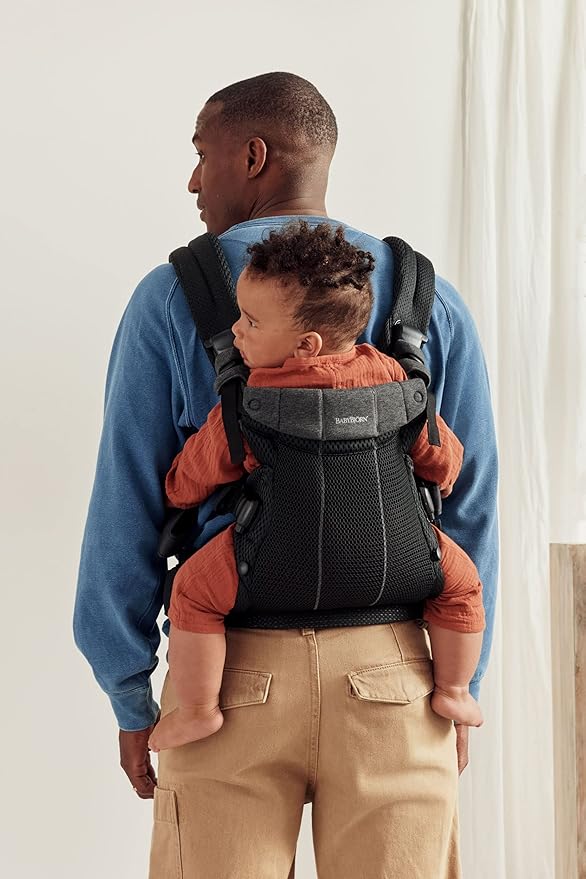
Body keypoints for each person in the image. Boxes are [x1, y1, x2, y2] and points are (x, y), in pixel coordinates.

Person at [74, 72, 498, 878]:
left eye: (203, 155)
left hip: (225, 671)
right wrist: (460, 680)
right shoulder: (427, 298)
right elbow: (469, 503)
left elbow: (126, 504)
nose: (193, 180)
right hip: (396, 673)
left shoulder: (171, 296)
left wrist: (129, 692)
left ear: (253, 156)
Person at [147, 221, 485, 754]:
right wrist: (439, 476)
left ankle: (197, 709)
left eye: (250, 321)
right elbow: (445, 461)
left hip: (265, 567)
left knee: (191, 592)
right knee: (462, 587)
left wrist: (176, 491)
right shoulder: (398, 384)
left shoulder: (252, 403)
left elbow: (195, 475)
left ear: (305, 346)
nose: (236, 331)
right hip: (397, 566)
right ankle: (456, 690)